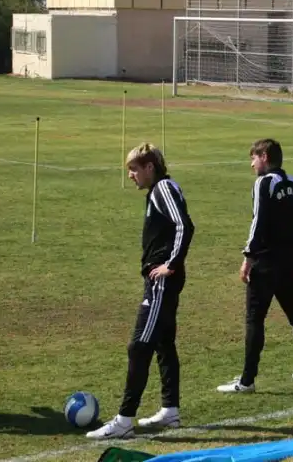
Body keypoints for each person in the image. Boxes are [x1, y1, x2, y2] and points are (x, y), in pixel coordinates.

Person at [87, 143, 195, 440]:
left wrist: (170, 264)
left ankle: (124, 420)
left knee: (139, 345)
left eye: (134, 169)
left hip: (161, 281)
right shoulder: (159, 190)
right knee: (163, 342)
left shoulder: (163, 189)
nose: (130, 175)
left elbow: (184, 226)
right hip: (162, 278)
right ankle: (170, 410)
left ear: (150, 167)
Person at [217, 139, 293, 392]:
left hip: (265, 262)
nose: (252, 164)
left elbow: (257, 221)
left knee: (254, 319)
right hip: (288, 261)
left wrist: (248, 257)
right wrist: (292, 248)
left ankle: (247, 381)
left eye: (254, 158)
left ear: (265, 157)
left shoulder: (264, 183)